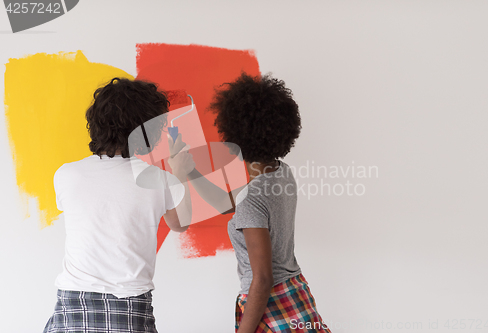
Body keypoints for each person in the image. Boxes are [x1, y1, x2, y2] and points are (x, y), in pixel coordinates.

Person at [174, 73, 331, 332]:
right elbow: (230, 205)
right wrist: (191, 171)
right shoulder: (281, 172)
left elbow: (263, 278)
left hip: (270, 305)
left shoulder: (253, 197)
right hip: (296, 293)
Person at [43, 77, 195, 333]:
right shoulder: (160, 180)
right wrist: (181, 172)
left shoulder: (67, 175)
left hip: (72, 303)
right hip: (131, 306)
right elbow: (180, 223)